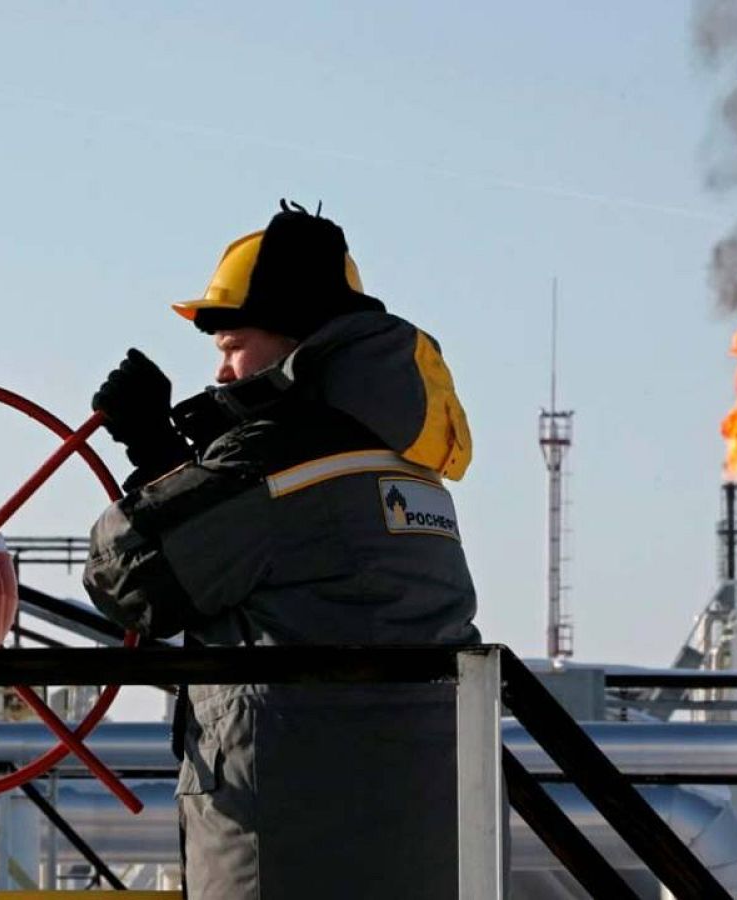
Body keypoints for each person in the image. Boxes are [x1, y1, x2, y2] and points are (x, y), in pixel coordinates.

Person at [83, 201, 480, 899]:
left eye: (232, 346)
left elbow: (133, 579)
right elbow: (273, 549)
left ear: (297, 340)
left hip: (290, 831)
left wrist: (154, 454)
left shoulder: (276, 460)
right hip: (418, 828)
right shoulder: (405, 462)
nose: (226, 374)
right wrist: (168, 461)